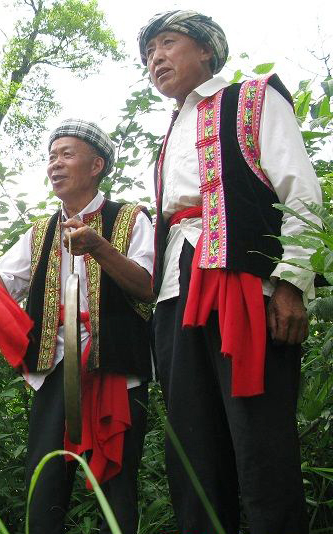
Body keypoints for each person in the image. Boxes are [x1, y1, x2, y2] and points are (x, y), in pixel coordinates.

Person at [139, 10, 323, 533]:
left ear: (206, 50)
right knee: (192, 448)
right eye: (149, 54)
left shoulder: (254, 98)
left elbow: (300, 194)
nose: (155, 59)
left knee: (261, 442)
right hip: (177, 292)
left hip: (247, 286)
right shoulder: (171, 131)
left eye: (166, 44)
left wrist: (291, 281)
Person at [0, 119, 155, 534]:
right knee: (44, 483)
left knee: (116, 488)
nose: (55, 165)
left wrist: (98, 246)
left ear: (96, 165)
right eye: (51, 157)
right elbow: (4, 286)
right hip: (55, 367)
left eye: (66, 155)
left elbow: (146, 285)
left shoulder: (131, 218)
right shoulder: (41, 231)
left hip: (114, 367)